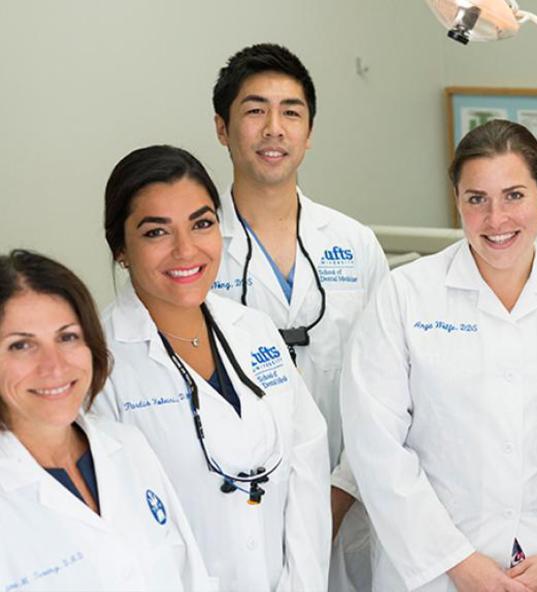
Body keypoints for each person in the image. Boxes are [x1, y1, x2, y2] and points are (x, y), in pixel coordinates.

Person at [341, 119, 537, 592]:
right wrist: (456, 561)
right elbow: (375, 445)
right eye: (477, 199)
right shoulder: (405, 296)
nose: (497, 219)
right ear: (457, 200)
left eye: (514, 195)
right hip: (438, 571)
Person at [93, 145, 330, 591]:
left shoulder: (254, 330)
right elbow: (122, 530)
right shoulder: (99, 363)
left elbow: (307, 468)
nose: (186, 250)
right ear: (121, 248)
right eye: (156, 233)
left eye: (201, 224)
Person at [209, 43, 389, 592]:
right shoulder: (195, 248)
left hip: (353, 506)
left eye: (291, 112)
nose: (274, 128)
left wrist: (333, 500)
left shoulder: (355, 244)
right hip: (236, 506)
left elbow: (392, 390)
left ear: (309, 132)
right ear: (222, 127)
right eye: (255, 110)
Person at [0, 250, 215, 591]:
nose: (54, 367)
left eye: (67, 336)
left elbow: (191, 576)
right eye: (21, 345)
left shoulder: (128, 445)